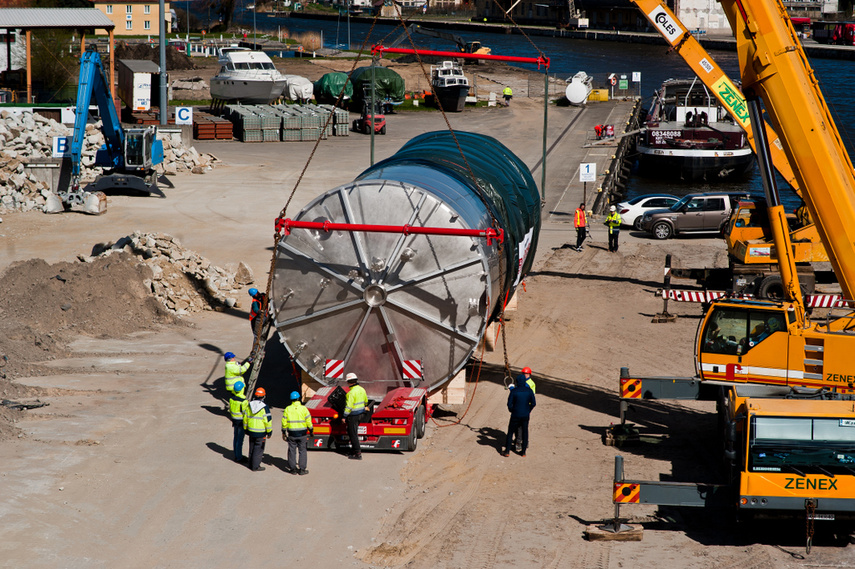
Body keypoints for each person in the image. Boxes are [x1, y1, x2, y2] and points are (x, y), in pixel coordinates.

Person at [501, 374, 536, 457]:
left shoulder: (514, 391)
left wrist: (512, 410)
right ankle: (523, 452)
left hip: (515, 415)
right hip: (525, 415)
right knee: (525, 432)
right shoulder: (529, 391)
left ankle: (507, 451)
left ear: (516, 382)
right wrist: (528, 410)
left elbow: (509, 404)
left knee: (510, 432)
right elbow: (533, 403)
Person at [282, 390, 313, 475]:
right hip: (302, 434)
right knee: (302, 451)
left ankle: (293, 469)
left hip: (292, 434)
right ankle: (302, 469)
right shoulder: (304, 409)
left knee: (292, 450)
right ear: (298, 398)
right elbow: (308, 421)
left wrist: (284, 432)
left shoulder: (288, 409)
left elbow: (284, 422)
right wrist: (311, 430)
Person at [243, 387, 272, 471]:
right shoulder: (264, 407)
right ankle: (255, 466)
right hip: (261, 433)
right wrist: (269, 432)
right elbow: (268, 421)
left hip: (251, 431)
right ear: (263, 396)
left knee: (251, 448)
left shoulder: (249, 405)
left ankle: (250, 464)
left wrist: (245, 428)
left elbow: (245, 418)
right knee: (258, 450)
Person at [343, 372, 368, 460]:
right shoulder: (362, 389)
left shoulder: (350, 393)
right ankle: (354, 451)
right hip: (361, 414)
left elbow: (348, 407)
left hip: (353, 416)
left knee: (353, 434)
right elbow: (366, 401)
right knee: (354, 432)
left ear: (349, 382)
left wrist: (344, 416)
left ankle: (357, 453)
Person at [229, 380, 249, 463]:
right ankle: (239, 457)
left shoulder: (231, 399)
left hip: (234, 420)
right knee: (240, 440)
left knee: (236, 437)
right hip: (241, 422)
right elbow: (245, 414)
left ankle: (236, 454)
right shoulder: (243, 401)